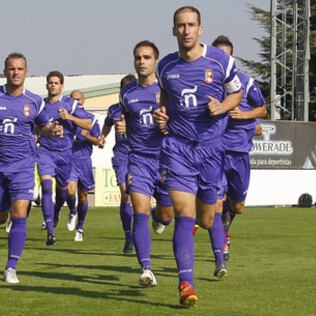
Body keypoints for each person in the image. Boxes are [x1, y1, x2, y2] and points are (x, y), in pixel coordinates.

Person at [154, 6, 242, 307]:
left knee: (206, 218)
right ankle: (186, 284)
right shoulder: (165, 66)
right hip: (178, 148)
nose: (186, 30)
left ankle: (214, 245)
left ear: (200, 29)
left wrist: (223, 107)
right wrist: (162, 114)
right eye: (181, 25)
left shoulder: (221, 61)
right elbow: (165, 96)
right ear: (173, 30)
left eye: (192, 25)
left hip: (212, 150)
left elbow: (236, 94)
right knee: (184, 215)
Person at [0, 52, 62, 284]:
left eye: (20, 69)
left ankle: (11, 267)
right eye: (12, 68)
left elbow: (44, 126)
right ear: (5, 71)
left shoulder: (34, 101)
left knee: (21, 213)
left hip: (23, 165)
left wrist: (53, 130)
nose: (16, 72)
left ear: (26, 72)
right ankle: (7, 213)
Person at [115, 40, 174, 288]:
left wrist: (166, 126)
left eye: (147, 57)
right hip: (138, 159)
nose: (142, 61)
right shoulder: (127, 93)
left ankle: (159, 218)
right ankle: (146, 268)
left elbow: (180, 124)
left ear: (155, 61)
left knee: (166, 216)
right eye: (138, 57)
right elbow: (124, 119)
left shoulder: (168, 90)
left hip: (166, 159)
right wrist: (122, 128)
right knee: (138, 210)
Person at [211, 35, 267, 261]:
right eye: (217, 55)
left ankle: (225, 223)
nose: (221, 59)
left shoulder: (245, 82)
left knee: (239, 206)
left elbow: (262, 110)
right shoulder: (208, 84)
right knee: (216, 200)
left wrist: (244, 115)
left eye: (225, 55)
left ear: (231, 57)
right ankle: (221, 245)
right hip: (216, 151)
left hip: (240, 153)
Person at [38, 71, 92, 246]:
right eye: (50, 82)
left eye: (56, 83)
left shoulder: (71, 104)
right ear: (47, 85)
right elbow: (33, 125)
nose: (53, 85)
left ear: (62, 86)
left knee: (66, 191)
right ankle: (51, 231)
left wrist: (69, 117)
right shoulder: (40, 105)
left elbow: (89, 124)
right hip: (45, 151)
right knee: (46, 187)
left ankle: (69, 210)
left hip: (65, 154)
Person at [98, 74, 136, 254]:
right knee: (125, 194)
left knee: (141, 197)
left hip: (140, 154)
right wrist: (102, 136)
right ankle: (128, 237)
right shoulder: (114, 110)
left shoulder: (141, 106)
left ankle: (155, 218)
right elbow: (107, 124)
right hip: (121, 154)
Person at [65, 90, 100, 242]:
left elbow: (98, 141)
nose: (76, 102)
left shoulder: (91, 119)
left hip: (84, 160)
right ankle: (72, 211)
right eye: (73, 99)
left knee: (83, 195)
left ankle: (80, 228)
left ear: (83, 101)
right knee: (70, 190)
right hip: (69, 160)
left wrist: (88, 136)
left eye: (78, 100)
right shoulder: (65, 119)